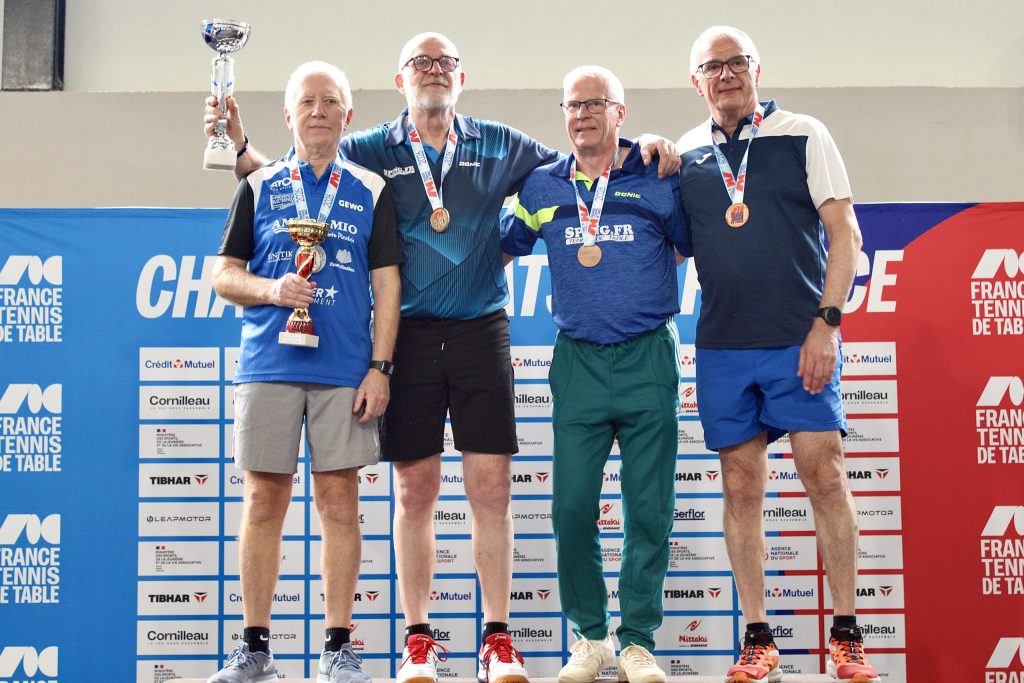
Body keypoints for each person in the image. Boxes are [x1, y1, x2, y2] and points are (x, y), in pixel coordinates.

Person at [204, 33, 679, 683]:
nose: (432, 72)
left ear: (462, 76)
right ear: (399, 80)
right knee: (415, 489)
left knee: (492, 488)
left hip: (483, 328)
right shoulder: (369, 147)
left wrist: (645, 145)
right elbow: (300, 174)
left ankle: (497, 638)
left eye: (444, 63)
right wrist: (238, 149)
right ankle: (419, 639)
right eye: (419, 64)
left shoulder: (501, 143)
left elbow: (585, 160)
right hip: (409, 335)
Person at [675, 26, 879, 683]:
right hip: (724, 347)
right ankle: (758, 636)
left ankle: (846, 634)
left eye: (737, 62)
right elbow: (665, 245)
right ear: (696, 82)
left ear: (757, 69)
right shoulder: (685, 154)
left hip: (799, 340)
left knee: (825, 473)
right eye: (713, 66)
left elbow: (845, 233)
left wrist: (827, 325)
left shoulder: (803, 133)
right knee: (740, 487)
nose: (727, 74)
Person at [207, 61, 402, 683]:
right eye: (307, 101)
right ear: (288, 114)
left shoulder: (371, 190)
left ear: (348, 115)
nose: (318, 111)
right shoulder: (259, 185)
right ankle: (255, 649)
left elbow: (387, 285)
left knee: (339, 501)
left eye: (331, 101)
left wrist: (380, 367)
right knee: (264, 499)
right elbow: (223, 274)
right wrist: (271, 290)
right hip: (269, 365)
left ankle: (338, 648)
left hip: (344, 367)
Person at [500, 66, 687, 683]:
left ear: (619, 112)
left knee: (649, 509)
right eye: (572, 105)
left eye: (595, 104)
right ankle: (590, 637)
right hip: (577, 361)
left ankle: (636, 642)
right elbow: (497, 246)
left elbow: (696, 244)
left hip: (648, 357)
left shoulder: (658, 176)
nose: (582, 114)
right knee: (572, 509)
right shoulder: (542, 185)